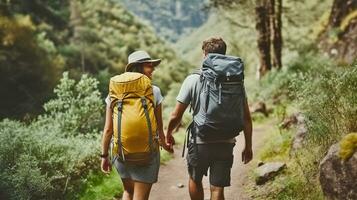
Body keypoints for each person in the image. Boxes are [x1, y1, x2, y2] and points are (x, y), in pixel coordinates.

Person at [166, 37, 253, 200]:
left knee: (195, 179)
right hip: (226, 140)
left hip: (200, 141)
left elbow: (175, 115)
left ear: (204, 55)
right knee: (217, 189)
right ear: (224, 54)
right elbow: (247, 118)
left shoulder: (192, 79)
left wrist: (168, 133)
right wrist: (248, 146)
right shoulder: (235, 82)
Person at [100, 50, 172, 200]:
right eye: (149, 66)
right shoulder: (154, 91)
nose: (153, 69)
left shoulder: (114, 93)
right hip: (148, 154)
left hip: (121, 153)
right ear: (138, 67)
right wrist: (165, 145)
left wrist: (104, 156)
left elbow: (108, 130)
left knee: (128, 192)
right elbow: (159, 127)